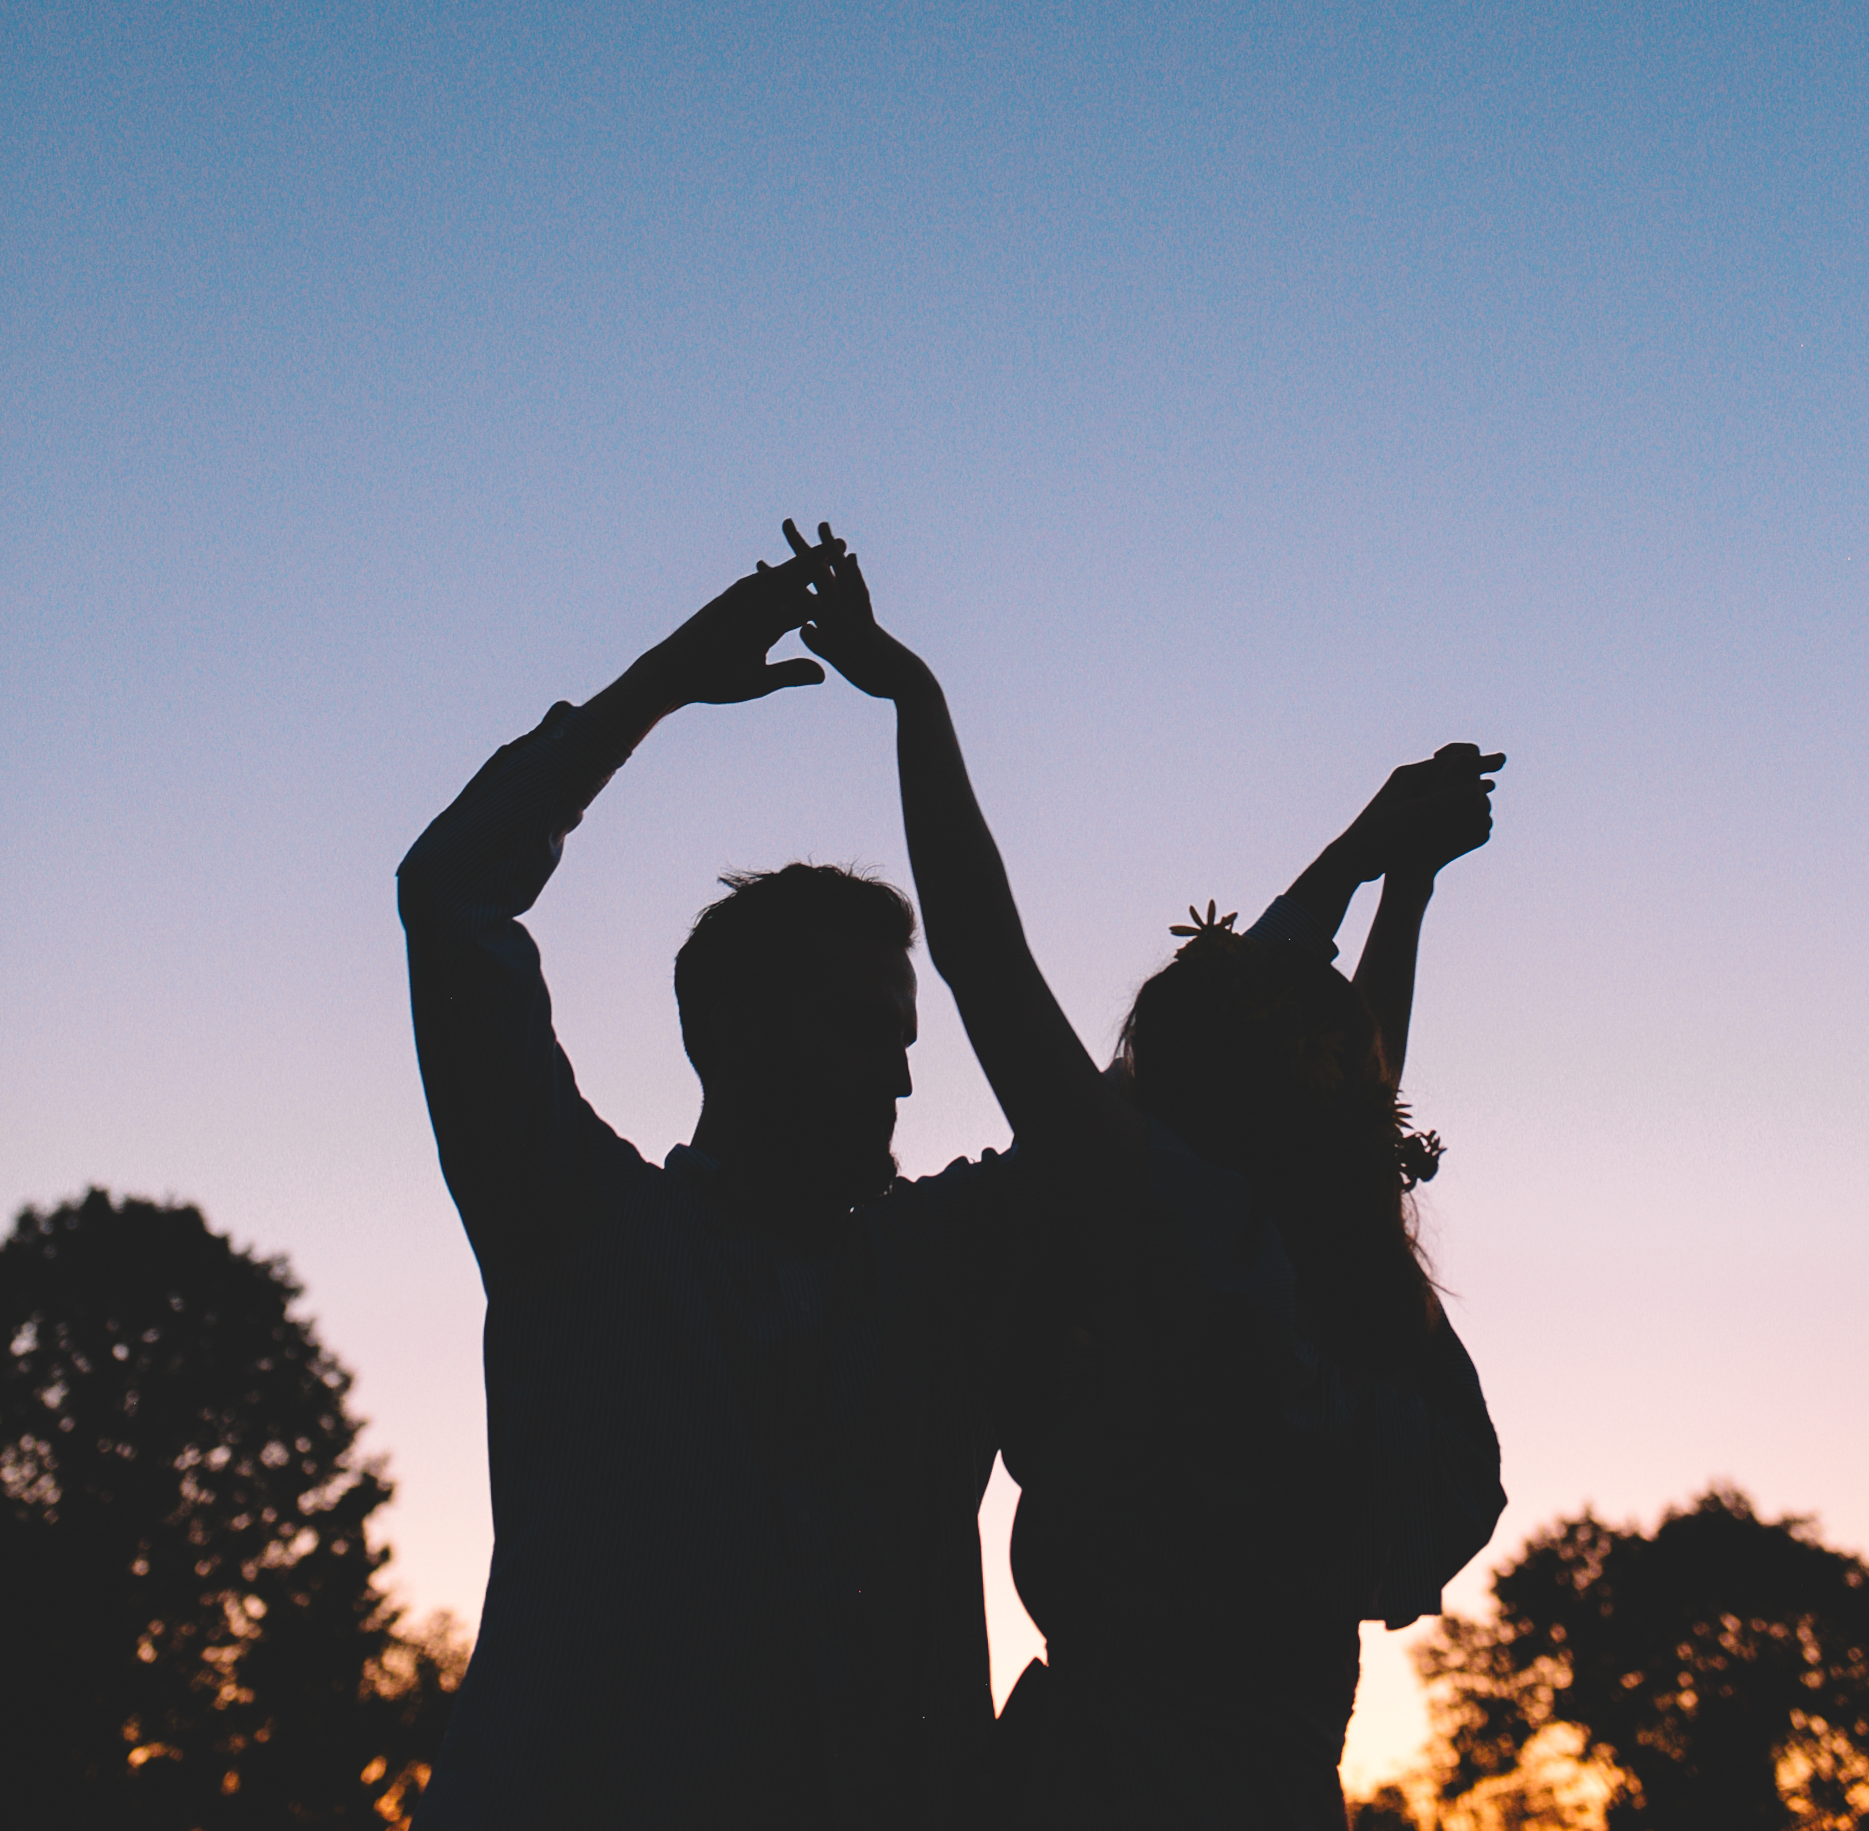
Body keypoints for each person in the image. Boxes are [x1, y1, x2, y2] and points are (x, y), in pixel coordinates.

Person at [798, 540, 1507, 1829]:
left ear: (1184, 1100)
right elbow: (1341, 1075)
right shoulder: (1328, 1270)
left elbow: (984, 960)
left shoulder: (1190, 1245)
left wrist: (916, 698)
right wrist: (1388, 878)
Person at [395, 527, 1024, 1828]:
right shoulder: (573, 1228)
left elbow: (1162, 1132)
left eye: (908, 1049)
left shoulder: (939, 1261)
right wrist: (663, 682)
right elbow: (451, 889)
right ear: (737, 1037)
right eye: (870, 1041)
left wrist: (1369, 874)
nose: (904, 1088)